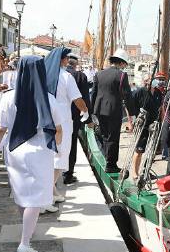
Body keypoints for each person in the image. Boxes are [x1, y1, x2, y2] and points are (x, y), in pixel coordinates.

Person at [0, 56, 63, 252]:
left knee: (22, 195)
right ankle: (24, 242)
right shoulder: (49, 99)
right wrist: (59, 148)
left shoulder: (8, 97)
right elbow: (58, 130)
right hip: (39, 152)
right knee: (35, 199)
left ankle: (27, 231)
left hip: (15, 150)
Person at [45, 47, 90, 212]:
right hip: (61, 121)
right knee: (59, 157)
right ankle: (46, 196)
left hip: (45, 120)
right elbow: (77, 99)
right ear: (63, 60)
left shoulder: (44, 75)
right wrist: (85, 111)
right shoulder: (66, 77)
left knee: (48, 158)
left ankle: (52, 191)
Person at [91, 48, 134, 173]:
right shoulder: (121, 75)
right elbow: (127, 95)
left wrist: (93, 111)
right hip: (113, 110)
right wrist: (132, 114)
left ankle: (106, 159)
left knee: (105, 135)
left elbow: (93, 94)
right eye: (125, 64)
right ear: (121, 63)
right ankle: (111, 165)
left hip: (99, 109)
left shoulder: (99, 74)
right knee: (113, 137)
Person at [130, 72, 166, 177]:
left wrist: (162, 122)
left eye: (152, 79)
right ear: (145, 81)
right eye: (149, 79)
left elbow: (161, 109)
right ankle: (135, 172)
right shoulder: (139, 92)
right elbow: (130, 107)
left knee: (151, 150)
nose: (152, 81)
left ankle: (146, 171)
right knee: (139, 150)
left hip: (154, 125)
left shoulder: (158, 93)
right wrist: (132, 121)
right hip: (142, 125)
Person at [64, 54, 93, 184]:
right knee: (71, 143)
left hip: (57, 114)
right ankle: (68, 174)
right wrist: (88, 118)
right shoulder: (80, 76)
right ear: (75, 65)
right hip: (74, 115)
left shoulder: (58, 74)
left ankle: (56, 171)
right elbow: (85, 99)